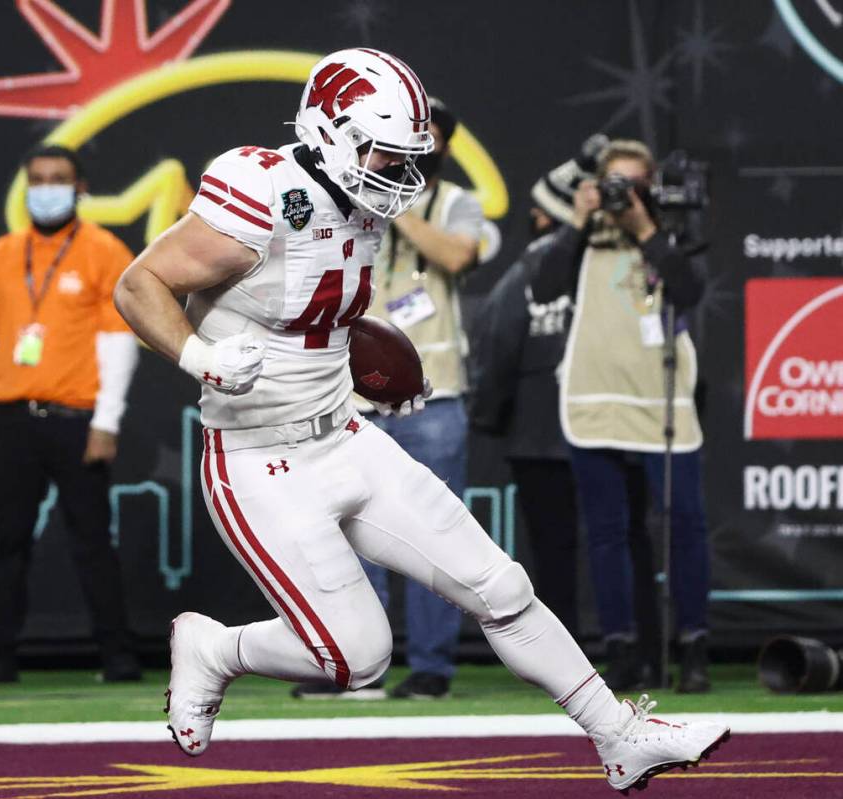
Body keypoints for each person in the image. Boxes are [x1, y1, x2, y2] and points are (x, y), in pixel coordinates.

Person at [114, 49, 728, 791]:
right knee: (354, 657)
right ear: (330, 130)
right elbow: (138, 281)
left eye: (408, 155)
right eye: (383, 151)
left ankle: (618, 734)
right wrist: (199, 357)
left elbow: (322, 321)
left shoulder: (364, 204)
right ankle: (216, 648)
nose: (397, 171)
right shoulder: (261, 187)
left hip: (342, 433)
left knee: (499, 586)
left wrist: (380, 376)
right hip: (256, 456)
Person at [292, 99, 482, 701]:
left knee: (431, 533)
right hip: (345, 397)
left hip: (432, 396)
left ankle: (431, 666)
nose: (412, 149)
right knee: (347, 534)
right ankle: (358, 668)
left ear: (441, 148)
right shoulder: (338, 199)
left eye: (425, 140)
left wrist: (391, 202)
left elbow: (456, 256)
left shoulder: (456, 203)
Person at [471, 139, 665, 689]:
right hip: (590, 421)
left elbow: (499, 340)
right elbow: (502, 336)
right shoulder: (563, 257)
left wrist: (489, 415)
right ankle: (637, 654)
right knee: (623, 540)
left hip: (570, 425)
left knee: (583, 548)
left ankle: (575, 667)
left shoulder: (615, 253)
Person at [530, 139, 711, 694]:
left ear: (651, 187)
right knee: (607, 533)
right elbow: (544, 287)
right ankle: (622, 648)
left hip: (660, 398)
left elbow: (688, 289)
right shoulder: (582, 236)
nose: (622, 195)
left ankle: (694, 648)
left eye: (634, 185)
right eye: (615, 184)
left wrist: (646, 228)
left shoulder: (673, 230)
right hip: (593, 395)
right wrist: (581, 219)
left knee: (684, 526)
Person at [0, 144, 141, 684]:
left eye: (57, 179)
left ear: (81, 189)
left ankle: (118, 655)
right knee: (8, 543)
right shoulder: (0, 255)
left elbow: (116, 342)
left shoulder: (104, 251)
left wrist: (107, 420)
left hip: (76, 419)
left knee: (92, 542)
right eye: (36, 179)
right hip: (11, 417)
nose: (46, 188)